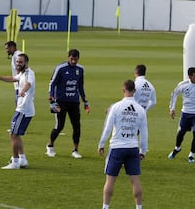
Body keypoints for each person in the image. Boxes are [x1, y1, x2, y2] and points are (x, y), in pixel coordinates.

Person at [98, 80, 148, 209]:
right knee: (135, 180)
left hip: (117, 147)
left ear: (123, 90)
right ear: (134, 91)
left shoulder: (116, 107)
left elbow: (108, 127)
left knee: (110, 179)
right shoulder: (140, 110)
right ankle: (139, 207)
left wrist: (101, 143)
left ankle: (105, 207)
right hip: (132, 147)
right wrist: (143, 150)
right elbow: (144, 132)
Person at [0, 53, 35, 169]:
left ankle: (15, 162)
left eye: (20, 62)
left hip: (23, 109)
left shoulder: (29, 73)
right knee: (16, 134)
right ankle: (22, 159)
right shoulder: (22, 73)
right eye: (17, 62)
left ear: (26, 63)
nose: (18, 64)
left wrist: (23, 91)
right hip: (23, 108)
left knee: (13, 134)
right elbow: (13, 78)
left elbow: (29, 84)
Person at [46, 49, 90, 159]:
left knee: (77, 126)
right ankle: (50, 146)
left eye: (75, 59)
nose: (74, 61)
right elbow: (52, 83)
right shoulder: (60, 68)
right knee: (59, 126)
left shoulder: (80, 69)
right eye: (72, 59)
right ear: (68, 57)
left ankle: (75, 150)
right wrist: (51, 96)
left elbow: (80, 86)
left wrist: (85, 100)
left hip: (74, 102)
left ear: (78, 58)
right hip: (60, 101)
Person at [168, 67, 195, 163]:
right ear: (190, 76)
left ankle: (191, 155)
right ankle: (177, 148)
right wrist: (172, 109)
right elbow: (174, 94)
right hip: (186, 113)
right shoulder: (183, 85)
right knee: (181, 133)